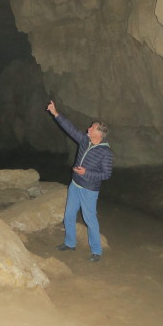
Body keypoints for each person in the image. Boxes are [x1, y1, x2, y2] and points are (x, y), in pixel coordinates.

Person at [46, 100, 113, 262]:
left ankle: (96, 251)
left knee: (90, 219)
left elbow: (106, 174)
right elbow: (70, 129)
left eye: (92, 128)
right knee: (68, 214)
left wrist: (86, 172)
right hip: (75, 184)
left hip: (89, 189)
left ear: (99, 133)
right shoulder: (85, 140)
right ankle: (70, 243)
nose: (88, 129)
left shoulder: (106, 152)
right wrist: (56, 113)